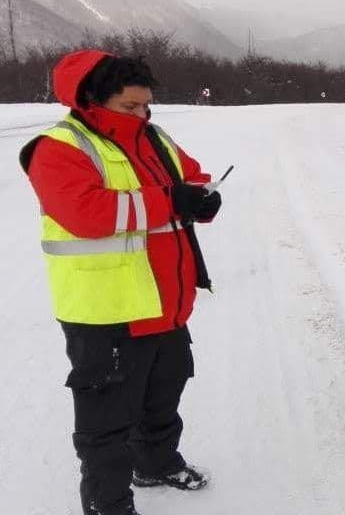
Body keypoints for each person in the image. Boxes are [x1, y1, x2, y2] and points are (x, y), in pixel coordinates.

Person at [19, 50, 221, 515]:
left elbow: (190, 176)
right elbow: (88, 214)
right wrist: (173, 201)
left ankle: (155, 463)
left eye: (146, 104)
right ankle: (109, 505)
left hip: (165, 303)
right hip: (107, 314)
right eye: (130, 106)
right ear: (93, 99)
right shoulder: (59, 148)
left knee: (163, 396)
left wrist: (203, 197)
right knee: (106, 424)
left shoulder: (153, 137)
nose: (142, 114)